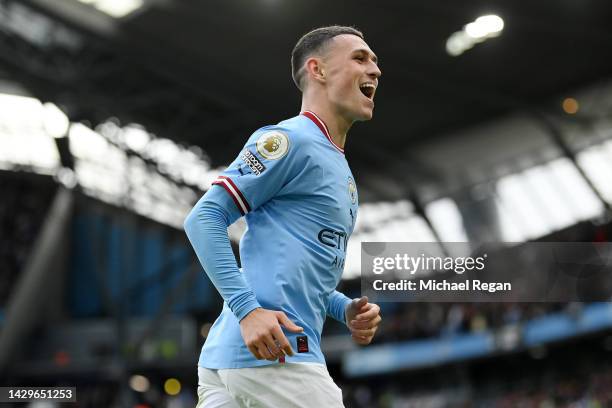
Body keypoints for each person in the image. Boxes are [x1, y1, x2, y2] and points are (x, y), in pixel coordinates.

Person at [184, 25, 382, 408]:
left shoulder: (336, 165)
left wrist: (343, 308)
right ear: (318, 70)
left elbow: (288, 266)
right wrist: (249, 312)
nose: (375, 70)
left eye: (375, 61)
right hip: (277, 354)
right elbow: (204, 218)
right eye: (360, 58)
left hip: (232, 357)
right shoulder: (290, 140)